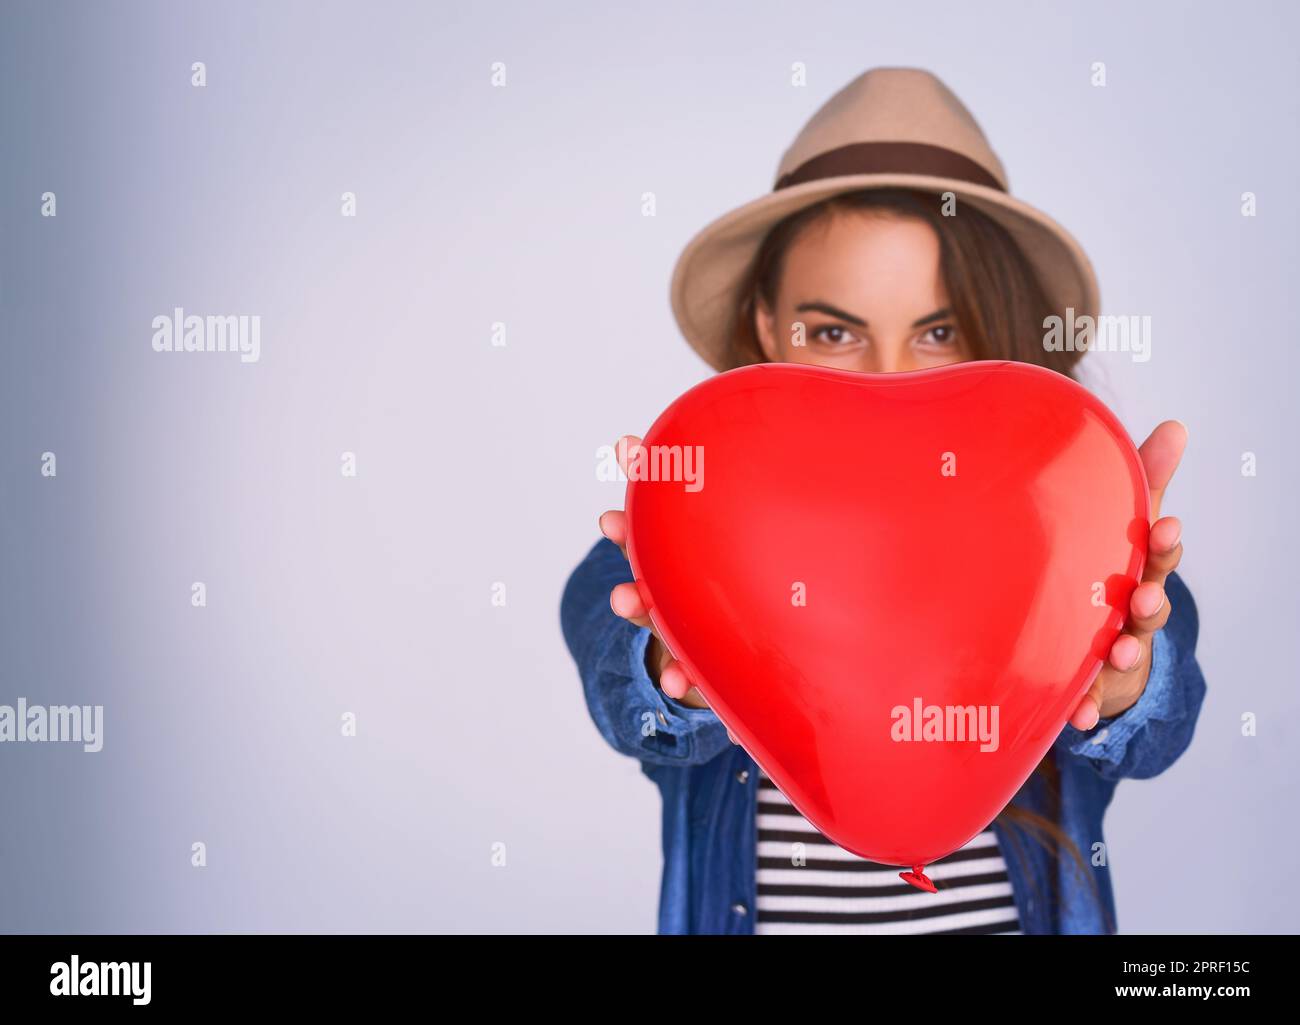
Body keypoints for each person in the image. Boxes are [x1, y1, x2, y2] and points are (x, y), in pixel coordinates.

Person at [560, 67, 1206, 934]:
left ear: (998, 328)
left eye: (937, 333)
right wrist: (680, 671)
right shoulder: (678, 532)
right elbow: (619, 676)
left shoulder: (1078, 533)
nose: (889, 380)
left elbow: (1164, 714)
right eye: (834, 331)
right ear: (764, 326)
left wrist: (1121, 680)